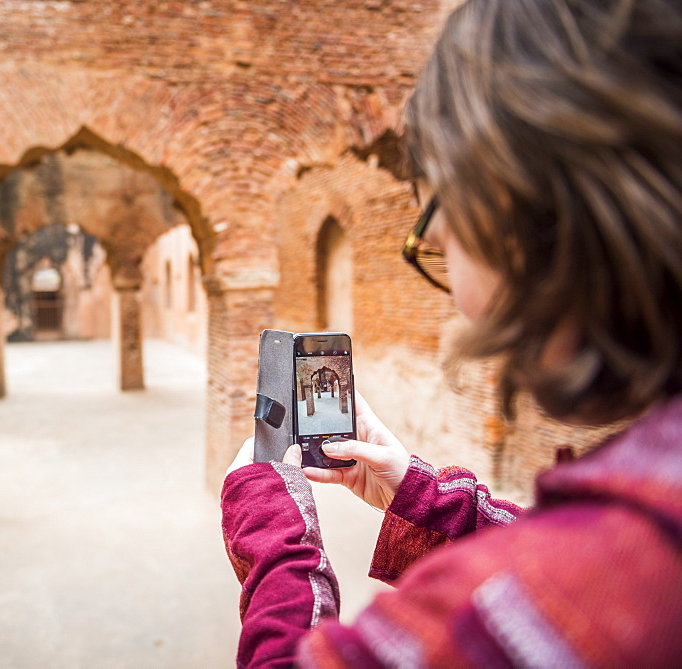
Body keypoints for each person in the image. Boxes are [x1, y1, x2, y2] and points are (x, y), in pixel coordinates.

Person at [221, 0, 682, 666]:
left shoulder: (569, 591)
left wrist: (274, 537)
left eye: (438, 241)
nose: (464, 304)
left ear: (519, 209)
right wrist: (420, 495)